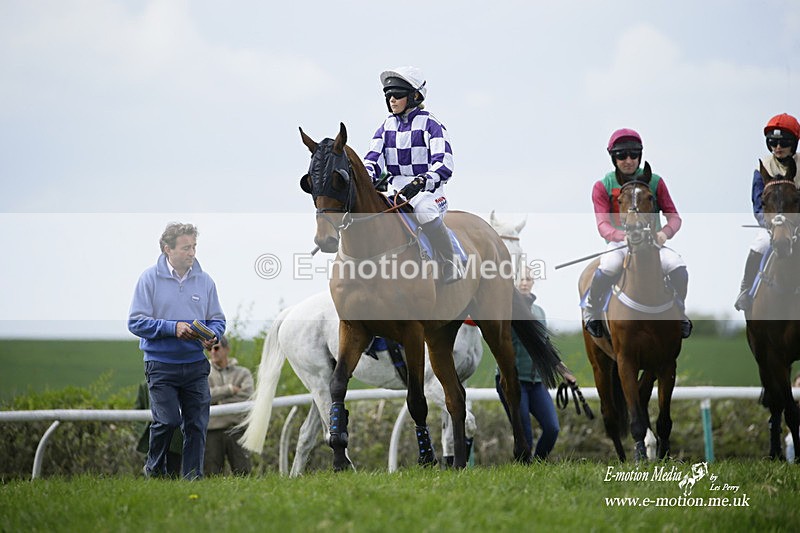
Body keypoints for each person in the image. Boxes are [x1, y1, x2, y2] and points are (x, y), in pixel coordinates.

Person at [128, 222, 226, 480]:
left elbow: (217, 319)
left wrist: (213, 335)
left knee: (196, 425)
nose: (192, 252)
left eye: (194, 247)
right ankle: (154, 469)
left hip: (195, 364)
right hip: (160, 365)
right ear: (166, 249)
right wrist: (173, 328)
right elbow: (135, 322)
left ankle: (193, 477)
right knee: (168, 421)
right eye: (185, 247)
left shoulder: (205, 282)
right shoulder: (148, 279)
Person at [583, 128, 692, 339]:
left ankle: (680, 311)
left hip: (652, 244)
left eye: (634, 155)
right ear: (614, 158)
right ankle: (592, 310)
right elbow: (602, 225)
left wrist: (664, 234)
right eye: (622, 156)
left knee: (678, 267)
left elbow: (675, 218)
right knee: (609, 265)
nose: (629, 160)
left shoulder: (656, 182)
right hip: (621, 245)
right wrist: (621, 237)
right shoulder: (602, 186)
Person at [363, 65, 463, 284]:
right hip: (395, 191)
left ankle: (450, 262)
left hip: (428, 192)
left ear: (415, 96)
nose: (392, 100)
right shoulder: (385, 127)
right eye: (388, 95)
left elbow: (444, 162)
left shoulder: (431, 123)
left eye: (398, 95)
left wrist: (422, 181)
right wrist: (366, 178)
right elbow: (371, 159)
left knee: (424, 212)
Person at [735, 113, 800, 312]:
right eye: (773, 143)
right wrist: (769, 223)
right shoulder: (762, 167)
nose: (778, 148)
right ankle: (745, 291)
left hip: (796, 224)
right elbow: (757, 202)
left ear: (794, 144)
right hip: (772, 225)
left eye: (783, 143)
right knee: (760, 244)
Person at [495, 273, 560, 460]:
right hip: (513, 380)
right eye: (521, 279)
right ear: (515, 283)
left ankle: (538, 464)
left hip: (536, 381)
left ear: (533, 283)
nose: (524, 283)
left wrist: (562, 369)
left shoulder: (539, 312)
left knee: (552, 428)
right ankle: (526, 470)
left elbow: (544, 344)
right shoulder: (506, 309)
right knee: (525, 434)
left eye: (528, 279)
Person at [205, 335, 254, 476]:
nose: (213, 352)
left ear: (227, 349)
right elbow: (202, 397)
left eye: (216, 347)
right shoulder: (203, 373)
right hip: (211, 431)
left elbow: (248, 396)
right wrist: (230, 390)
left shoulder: (243, 373)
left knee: (244, 473)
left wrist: (217, 402)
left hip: (237, 429)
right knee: (211, 475)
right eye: (209, 349)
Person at [134, 380, 182, 478]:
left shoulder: (179, 384)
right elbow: (137, 412)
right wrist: (141, 432)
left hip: (175, 439)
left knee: (173, 473)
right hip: (153, 438)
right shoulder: (144, 386)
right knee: (152, 473)